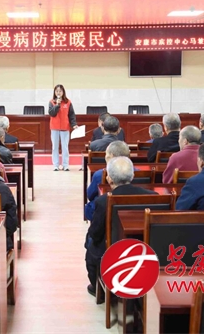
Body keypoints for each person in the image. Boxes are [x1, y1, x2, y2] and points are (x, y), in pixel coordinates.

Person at [85, 157, 157, 295]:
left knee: (90, 240)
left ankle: (98, 288)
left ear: (109, 179)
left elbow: (96, 233)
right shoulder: (154, 197)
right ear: (132, 176)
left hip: (113, 252)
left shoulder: (103, 201)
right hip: (145, 249)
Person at [85, 141, 132, 220]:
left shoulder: (99, 174)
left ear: (111, 156)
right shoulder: (134, 171)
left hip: (106, 208)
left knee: (89, 207)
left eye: (106, 154)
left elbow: (90, 195)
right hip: (131, 207)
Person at [48, 84, 78, 171]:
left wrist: (74, 124)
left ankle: (65, 165)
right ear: (54, 92)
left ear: (63, 92)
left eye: (60, 91)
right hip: (54, 127)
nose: (58, 93)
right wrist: (57, 105)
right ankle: (56, 165)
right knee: (55, 147)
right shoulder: (51, 102)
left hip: (65, 127)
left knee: (65, 147)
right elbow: (52, 113)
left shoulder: (68, 102)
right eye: (57, 91)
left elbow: (71, 115)